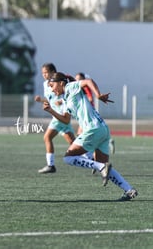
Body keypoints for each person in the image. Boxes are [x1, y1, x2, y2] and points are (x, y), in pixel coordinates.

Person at [43, 72, 138, 201]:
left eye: (52, 85)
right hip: (102, 129)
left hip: (93, 129)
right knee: (101, 164)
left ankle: (102, 167)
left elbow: (88, 81)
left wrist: (98, 95)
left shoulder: (70, 87)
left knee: (68, 158)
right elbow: (65, 120)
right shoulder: (65, 99)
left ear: (61, 83)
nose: (51, 89)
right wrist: (51, 111)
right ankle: (129, 190)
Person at [34, 63, 75, 174]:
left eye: (46, 72)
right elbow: (50, 99)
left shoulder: (58, 81)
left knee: (47, 137)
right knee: (73, 143)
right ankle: (93, 160)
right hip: (57, 115)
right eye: (42, 73)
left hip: (60, 115)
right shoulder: (45, 84)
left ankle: (50, 165)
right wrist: (41, 100)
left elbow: (65, 95)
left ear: (53, 72)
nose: (44, 75)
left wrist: (61, 101)